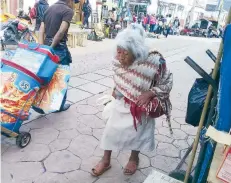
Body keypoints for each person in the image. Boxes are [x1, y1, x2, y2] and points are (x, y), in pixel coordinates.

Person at [91, 24, 173, 176]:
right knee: (110, 130)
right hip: (121, 103)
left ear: (137, 52)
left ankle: (134, 158)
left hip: (140, 107)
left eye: (125, 54)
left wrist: (150, 93)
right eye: (119, 51)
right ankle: (106, 160)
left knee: (139, 134)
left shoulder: (154, 61)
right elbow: (120, 78)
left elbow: (167, 82)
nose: (120, 57)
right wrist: (117, 90)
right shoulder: (117, 59)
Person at [38, 0, 74, 112]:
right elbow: (61, 32)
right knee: (62, 77)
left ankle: (39, 103)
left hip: (47, 44)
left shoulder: (48, 9)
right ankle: (59, 105)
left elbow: (41, 30)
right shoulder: (68, 11)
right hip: (58, 47)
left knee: (46, 75)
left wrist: (43, 48)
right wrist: (51, 48)